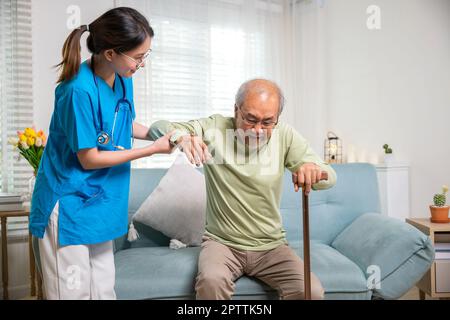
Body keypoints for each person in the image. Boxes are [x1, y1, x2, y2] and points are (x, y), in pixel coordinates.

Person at [30, 7, 174, 300]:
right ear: (110, 53)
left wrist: (154, 132)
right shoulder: (76, 90)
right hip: (69, 202)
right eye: (138, 57)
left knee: (104, 290)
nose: (142, 63)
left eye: (145, 55)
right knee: (72, 293)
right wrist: (150, 151)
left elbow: (118, 121)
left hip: (101, 202)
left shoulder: (123, 77)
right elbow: (89, 157)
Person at [149, 79, 337, 300]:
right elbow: (157, 127)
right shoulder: (214, 130)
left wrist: (312, 170)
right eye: (251, 119)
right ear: (236, 110)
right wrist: (180, 137)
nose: (258, 130)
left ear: (277, 118)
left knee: (311, 291)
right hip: (222, 244)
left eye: (267, 122)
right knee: (212, 281)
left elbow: (330, 177)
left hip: (271, 246)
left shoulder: (284, 136)